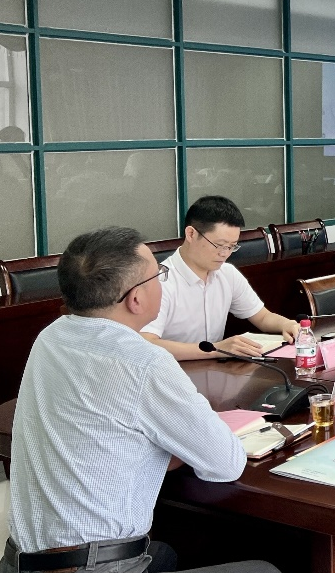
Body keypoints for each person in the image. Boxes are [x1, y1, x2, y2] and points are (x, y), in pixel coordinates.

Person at [3, 226, 278, 573]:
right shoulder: (144, 362)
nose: (162, 281)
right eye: (158, 275)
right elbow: (226, 463)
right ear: (136, 299)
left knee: (166, 553)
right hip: (97, 566)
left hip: (20, 561)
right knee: (265, 569)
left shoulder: (49, 338)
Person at [142, 196, 300, 361]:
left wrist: (287, 324)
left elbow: (262, 317)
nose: (225, 253)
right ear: (191, 234)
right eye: (219, 245)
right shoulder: (159, 281)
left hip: (214, 369)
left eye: (232, 246)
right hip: (171, 371)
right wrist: (216, 350)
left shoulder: (227, 273)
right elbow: (146, 344)